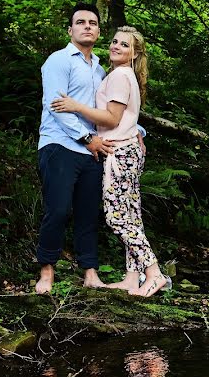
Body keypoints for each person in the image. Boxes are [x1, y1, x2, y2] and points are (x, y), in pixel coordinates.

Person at [51, 26, 170, 297]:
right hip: (129, 150)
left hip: (120, 154)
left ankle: (153, 273)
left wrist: (75, 106)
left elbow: (112, 119)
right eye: (115, 41)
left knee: (117, 217)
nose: (116, 46)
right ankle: (131, 277)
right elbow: (126, 118)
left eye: (124, 45)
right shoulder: (124, 75)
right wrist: (138, 132)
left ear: (135, 53)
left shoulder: (119, 76)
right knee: (131, 215)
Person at [34, 3, 115, 294]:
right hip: (60, 145)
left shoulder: (100, 69)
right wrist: (86, 138)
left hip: (90, 151)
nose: (87, 26)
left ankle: (90, 272)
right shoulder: (58, 60)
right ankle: (46, 270)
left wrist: (138, 131)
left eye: (93, 23)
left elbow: (106, 111)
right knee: (57, 210)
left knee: (87, 212)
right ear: (70, 30)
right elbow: (57, 107)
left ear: (98, 31)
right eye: (81, 22)